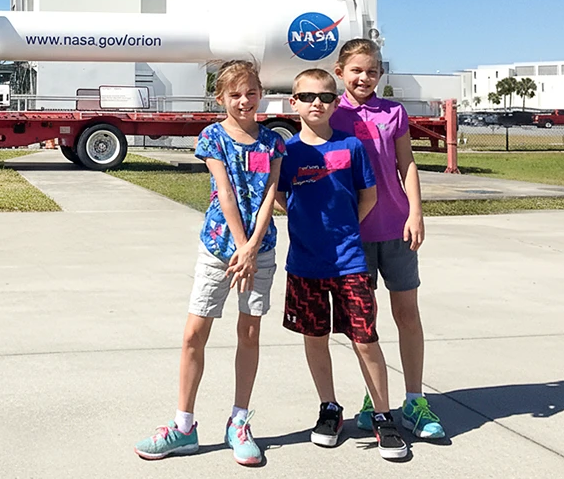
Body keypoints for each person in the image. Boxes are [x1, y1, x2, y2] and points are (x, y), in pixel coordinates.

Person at [134, 60, 285, 466]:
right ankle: (184, 426)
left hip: (260, 251)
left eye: (250, 92)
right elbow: (226, 190)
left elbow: (271, 195)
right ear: (221, 98)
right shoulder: (213, 137)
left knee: (248, 332)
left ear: (260, 94)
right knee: (193, 333)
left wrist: (253, 247)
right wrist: (239, 246)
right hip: (219, 248)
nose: (243, 100)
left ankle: (239, 421)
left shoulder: (273, 142)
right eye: (234, 94)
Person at [276, 68, 408, 461]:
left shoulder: (352, 146)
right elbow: (281, 198)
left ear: (336, 103)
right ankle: (329, 408)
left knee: (365, 339)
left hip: (350, 261)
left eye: (326, 96)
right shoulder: (288, 153)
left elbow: (367, 196)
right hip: (304, 264)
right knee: (314, 338)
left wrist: (344, 229)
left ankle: (383, 416)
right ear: (293, 102)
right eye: (308, 96)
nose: (317, 102)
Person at [331, 38, 445, 439]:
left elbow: (406, 163)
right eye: (357, 70)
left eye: (373, 70)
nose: (365, 77)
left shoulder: (392, 111)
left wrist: (415, 211)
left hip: (396, 228)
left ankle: (414, 400)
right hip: (353, 235)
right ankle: (373, 400)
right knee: (365, 324)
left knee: (407, 314)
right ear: (340, 72)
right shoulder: (330, 113)